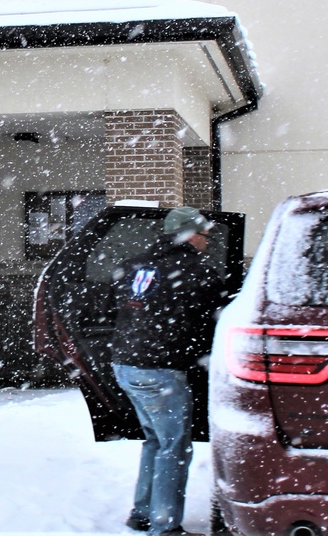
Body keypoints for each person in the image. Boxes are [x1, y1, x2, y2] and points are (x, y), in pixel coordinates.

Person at [110, 207, 227, 536]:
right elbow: (214, 321)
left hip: (125, 365)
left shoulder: (135, 265)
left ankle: (142, 513)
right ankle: (164, 526)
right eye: (204, 235)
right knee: (174, 447)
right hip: (158, 372)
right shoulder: (196, 271)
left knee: (155, 441)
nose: (207, 241)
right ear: (190, 234)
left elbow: (119, 309)